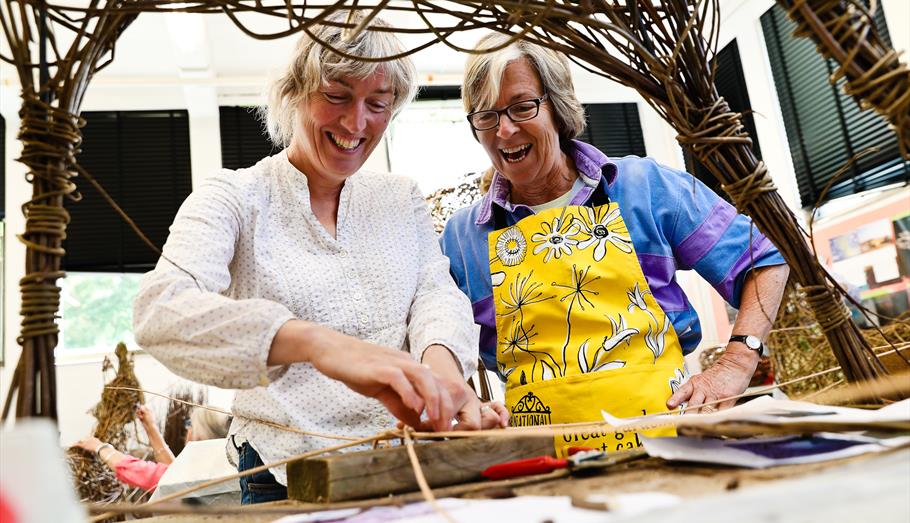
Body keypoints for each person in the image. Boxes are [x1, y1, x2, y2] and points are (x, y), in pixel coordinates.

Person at [133, 13, 505, 505]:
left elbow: (435, 293)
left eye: (378, 103)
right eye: (336, 96)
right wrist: (315, 342)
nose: (356, 123)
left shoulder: (398, 198)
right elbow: (159, 312)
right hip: (286, 471)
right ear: (294, 91)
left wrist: (441, 375)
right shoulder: (235, 197)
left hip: (406, 454)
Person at [440, 34, 790, 455]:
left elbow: (764, 260)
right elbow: (433, 344)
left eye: (521, 106)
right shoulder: (462, 239)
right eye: (486, 115)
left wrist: (737, 362)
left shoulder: (645, 188)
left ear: (559, 107)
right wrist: (469, 406)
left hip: (672, 449)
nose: (505, 129)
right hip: (542, 467)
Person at [73, 405, 229, 491]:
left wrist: (100, 447)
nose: (187, 429)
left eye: (190, 425)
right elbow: (172, 471)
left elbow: (140, 471)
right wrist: (151, 428)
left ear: (200, 437)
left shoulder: (195, 475)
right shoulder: (220, 466)